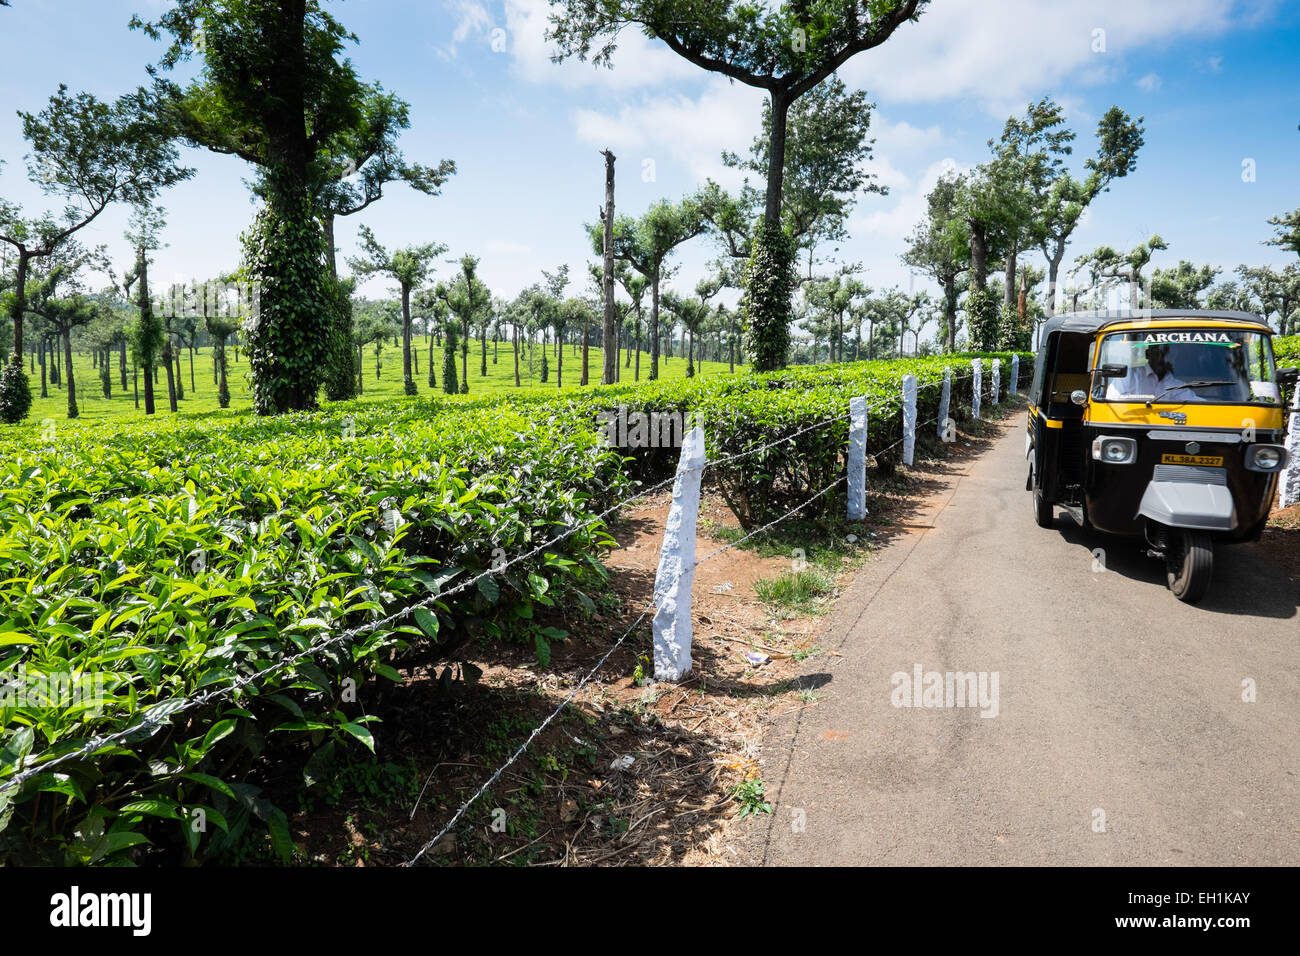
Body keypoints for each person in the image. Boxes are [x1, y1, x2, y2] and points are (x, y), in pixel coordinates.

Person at [1106, 343, 1197, 402]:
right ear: (1148, 354)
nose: (1163, 358)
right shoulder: (1129, 376)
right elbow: (1112, 399)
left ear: (1174, 358)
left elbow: (1196, 403)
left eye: (1168, 354)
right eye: (1158, 353)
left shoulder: (1176, 384)